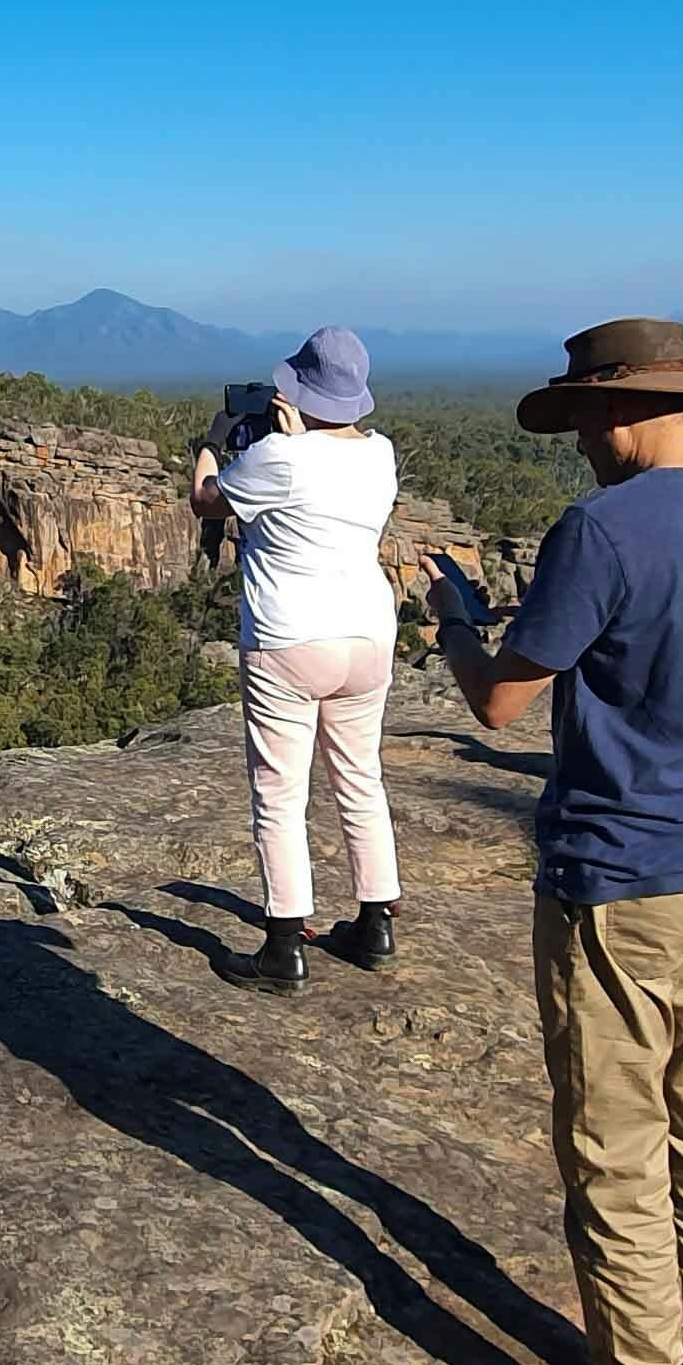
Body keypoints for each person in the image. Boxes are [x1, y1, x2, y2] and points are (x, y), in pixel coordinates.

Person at [427, 317, 683, 1365]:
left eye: (581, 419)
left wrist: (453, 631)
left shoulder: (602, 529)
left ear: (611, 412)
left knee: (616, 1150)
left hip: (618, 877)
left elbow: (502, 704)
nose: (579, 443)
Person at [190, 326, 403, 993]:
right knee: (360, 778)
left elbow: (208, 499)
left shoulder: (280, 457)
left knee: (280, 793)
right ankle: (375, 925)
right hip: (368, 635)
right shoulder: (382, 453)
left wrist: (211, 442)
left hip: (290, 639)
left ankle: (283, 948)